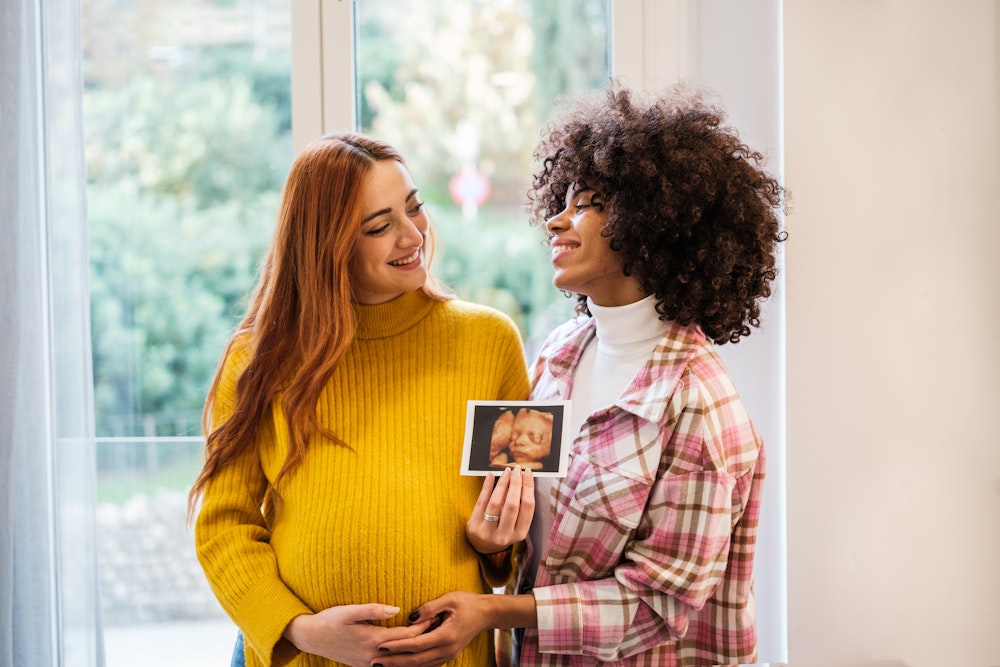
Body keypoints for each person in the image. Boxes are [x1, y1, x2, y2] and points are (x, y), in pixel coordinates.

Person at [373, 82, 787, 666]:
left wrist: (493, 612)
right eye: (561, 201)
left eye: (586, 204)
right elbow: (536, 537)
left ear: (654, 225)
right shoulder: (560, 355)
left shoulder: (699, 405)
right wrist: (494, 542)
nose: (556, 222)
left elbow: (656, 606)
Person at [187, 132, 535, 667]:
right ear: (328, 246)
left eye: (414, 208)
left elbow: (516, 538)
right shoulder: (258, 358)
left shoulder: (491, 341)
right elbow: (223, 526)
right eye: (379, 225)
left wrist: (495, 546)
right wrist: (300, 630)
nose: (412, 234)